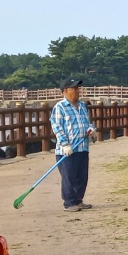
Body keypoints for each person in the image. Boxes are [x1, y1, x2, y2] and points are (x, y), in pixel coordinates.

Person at [50, 78, 98, 212]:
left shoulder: (82, 106)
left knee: (82, 176)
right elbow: (57, 127)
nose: (77, 91)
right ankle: (69, 202)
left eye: (78, 88)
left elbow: (88, 122)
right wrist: (65, 144)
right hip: (67, 150)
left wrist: (92, 129)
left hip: (82, 147)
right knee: (69, 177)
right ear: (65, 91)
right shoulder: (60, 107)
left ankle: (78, 200)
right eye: (74, 88)